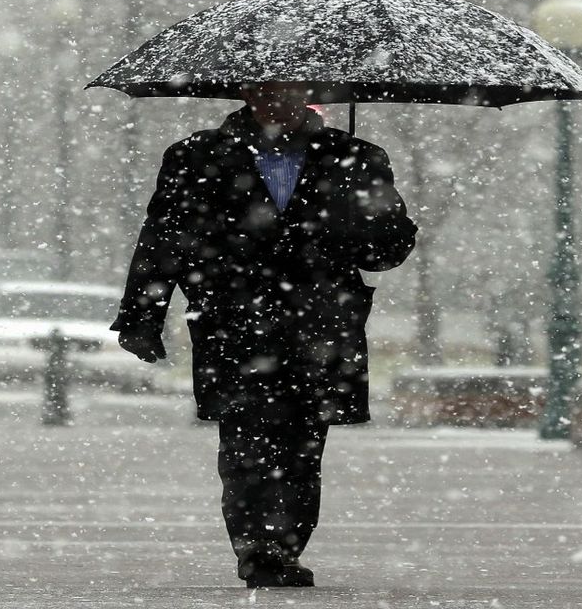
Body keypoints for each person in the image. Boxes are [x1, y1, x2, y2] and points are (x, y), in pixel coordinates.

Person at [112, 83, 417, 588]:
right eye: (267, 90)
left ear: (312, 93)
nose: (279, 100)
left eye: (291, 89)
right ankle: (258, 549)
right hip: (235, 325)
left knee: (303, 445)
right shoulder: (197, 156)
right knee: (245, 441)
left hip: (319, 325)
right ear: (246, 93)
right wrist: (142, 314)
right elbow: (163, 237)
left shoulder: (356, 157)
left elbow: (384, 252)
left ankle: (284, 546)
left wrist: (370, 222)